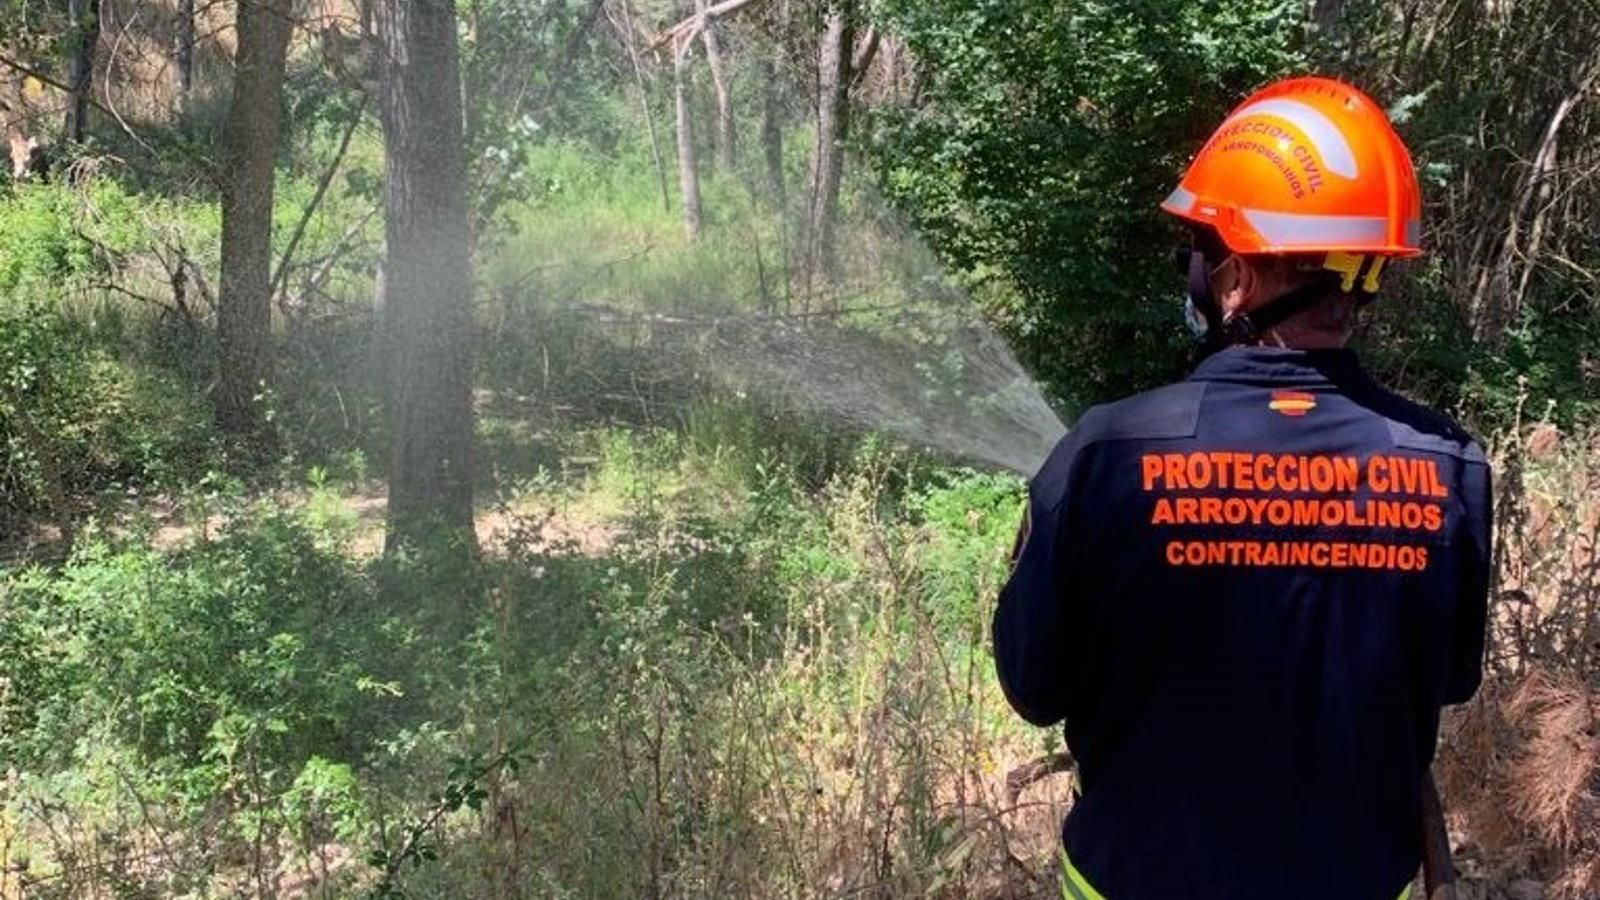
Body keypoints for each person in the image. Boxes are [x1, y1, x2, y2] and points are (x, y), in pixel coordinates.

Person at [993, 76, 1492, 900]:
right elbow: (1449, 679)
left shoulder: (1105, 453)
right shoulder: (1446, 465)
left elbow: (1033, 688)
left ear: (1238, 280)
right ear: (1361, 274)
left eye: (1205, 246)